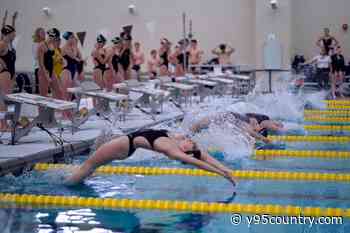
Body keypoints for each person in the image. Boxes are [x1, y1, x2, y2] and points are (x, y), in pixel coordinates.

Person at [65, 129, 236, 186]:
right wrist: (226, 168)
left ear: (186, 151)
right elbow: (203, 156)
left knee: (87, 165)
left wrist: (220, 174)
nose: (189, 140)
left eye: (190, 144)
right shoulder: (176, 140)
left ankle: (66, 185)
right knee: (91, 166)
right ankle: (74, 179)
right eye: (191, 141)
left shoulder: (173, 150)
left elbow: (197, 162)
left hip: (124, 145)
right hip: (126, 145)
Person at [190, 112, 283, 144]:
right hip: (229, 117)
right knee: (199, 126)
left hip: (227, 117)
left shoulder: (248, 121)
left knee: (198, 126)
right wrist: (265, 139)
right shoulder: (251, 122)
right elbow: (251, 132)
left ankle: (187, 135)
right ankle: (187, 135)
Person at [0, 11, 17, 131]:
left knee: (6, 101)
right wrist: (1, 63)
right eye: (13, 33)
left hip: (10, 74)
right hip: (4, 73)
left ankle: (4, 123)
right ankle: (2, 124)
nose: (15, 35)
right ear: (8, 34)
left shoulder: (10, 44)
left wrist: (13, 19)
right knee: (2, 100)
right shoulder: (2, 44)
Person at [37, 28, 62, 99]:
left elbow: (51, 60)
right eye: (56, 38)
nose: (56, 40)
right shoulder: (41, 46)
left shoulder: (52, 45)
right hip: (43, 72)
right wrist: (47, 76)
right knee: (43, 96)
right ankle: (41, 110)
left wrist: (53, 72)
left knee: (59, 92)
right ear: (52, 36)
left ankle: (57, 110)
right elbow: (41, 64)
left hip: (51, 70)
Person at [32, 27, 46, 94]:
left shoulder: (46, 44)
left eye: (44, 32)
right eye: (42, 32)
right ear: (38, 34)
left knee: (46, 90)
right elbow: (36, 56)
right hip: (39, 68)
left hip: (47, 68)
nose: (44, 34)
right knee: (40, 90)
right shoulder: (36, 44)